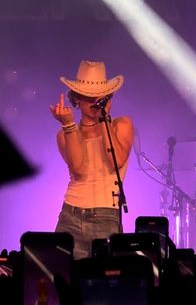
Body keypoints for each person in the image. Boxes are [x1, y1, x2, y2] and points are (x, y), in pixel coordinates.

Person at [50, 60, 134, 260]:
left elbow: (118, 159)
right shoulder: (65, 135)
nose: (94, 100)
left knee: (103, 280)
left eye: (99, 96)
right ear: (76, 98)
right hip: (71, 214)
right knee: (63, 279)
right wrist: (69, 125)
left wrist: (104, 117)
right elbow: (78, 169)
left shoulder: (121, 124)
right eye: (88, 96)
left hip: (106, 215)